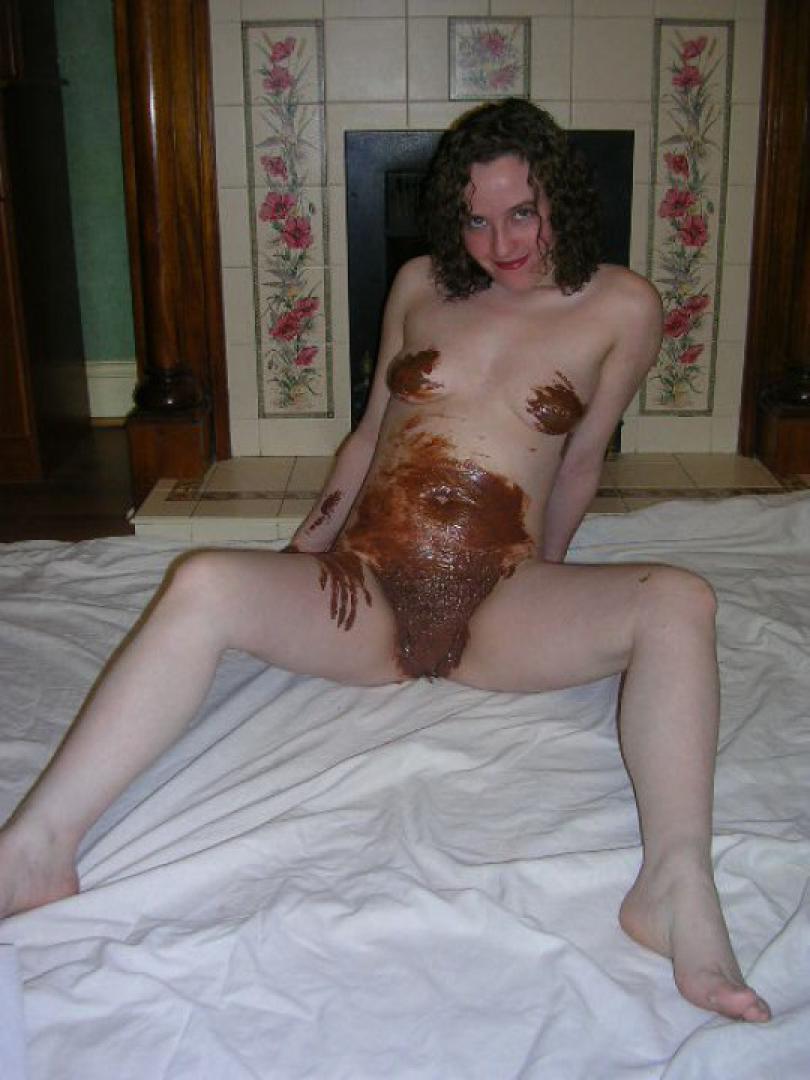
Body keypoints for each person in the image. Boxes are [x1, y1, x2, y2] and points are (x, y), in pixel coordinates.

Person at [0, 99, 770, 1023]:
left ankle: (676, 882)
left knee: (679, 599)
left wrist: (551, 577)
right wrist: (302, 555)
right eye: (475, 220)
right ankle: (37, 847)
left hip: (498, 595)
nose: (499, 243)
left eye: (521, 213)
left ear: (560, 198)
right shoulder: (419, 285)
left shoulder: (622, 305)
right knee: (202, 580)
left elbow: (578, 460)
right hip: (365, 586)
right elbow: (370, 437)